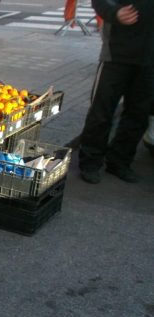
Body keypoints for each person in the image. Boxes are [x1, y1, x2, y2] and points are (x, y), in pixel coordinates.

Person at [77, 0, 154, 184]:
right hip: (116, 55)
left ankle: (120, 161)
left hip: (150, 59)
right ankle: (90, 161)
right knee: (102, 110)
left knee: (138, 115)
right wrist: (115, 12)